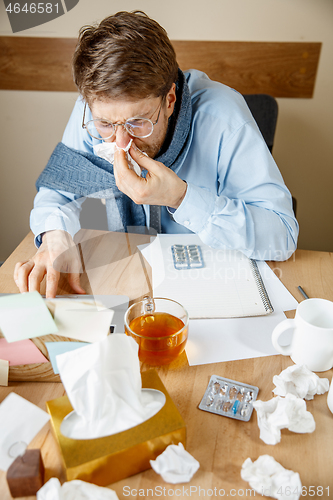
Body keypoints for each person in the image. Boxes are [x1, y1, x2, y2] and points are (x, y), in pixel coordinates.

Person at [14, 10, 298, 298]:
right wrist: (54, 235)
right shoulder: (89, 111)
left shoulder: (225, 120)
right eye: (105, 124)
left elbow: (282, 237)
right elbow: (58, 192)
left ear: (170, 100)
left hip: (208, 286)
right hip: (115, 279)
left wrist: (181, 198)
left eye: (138, 121)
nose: (122, 142)